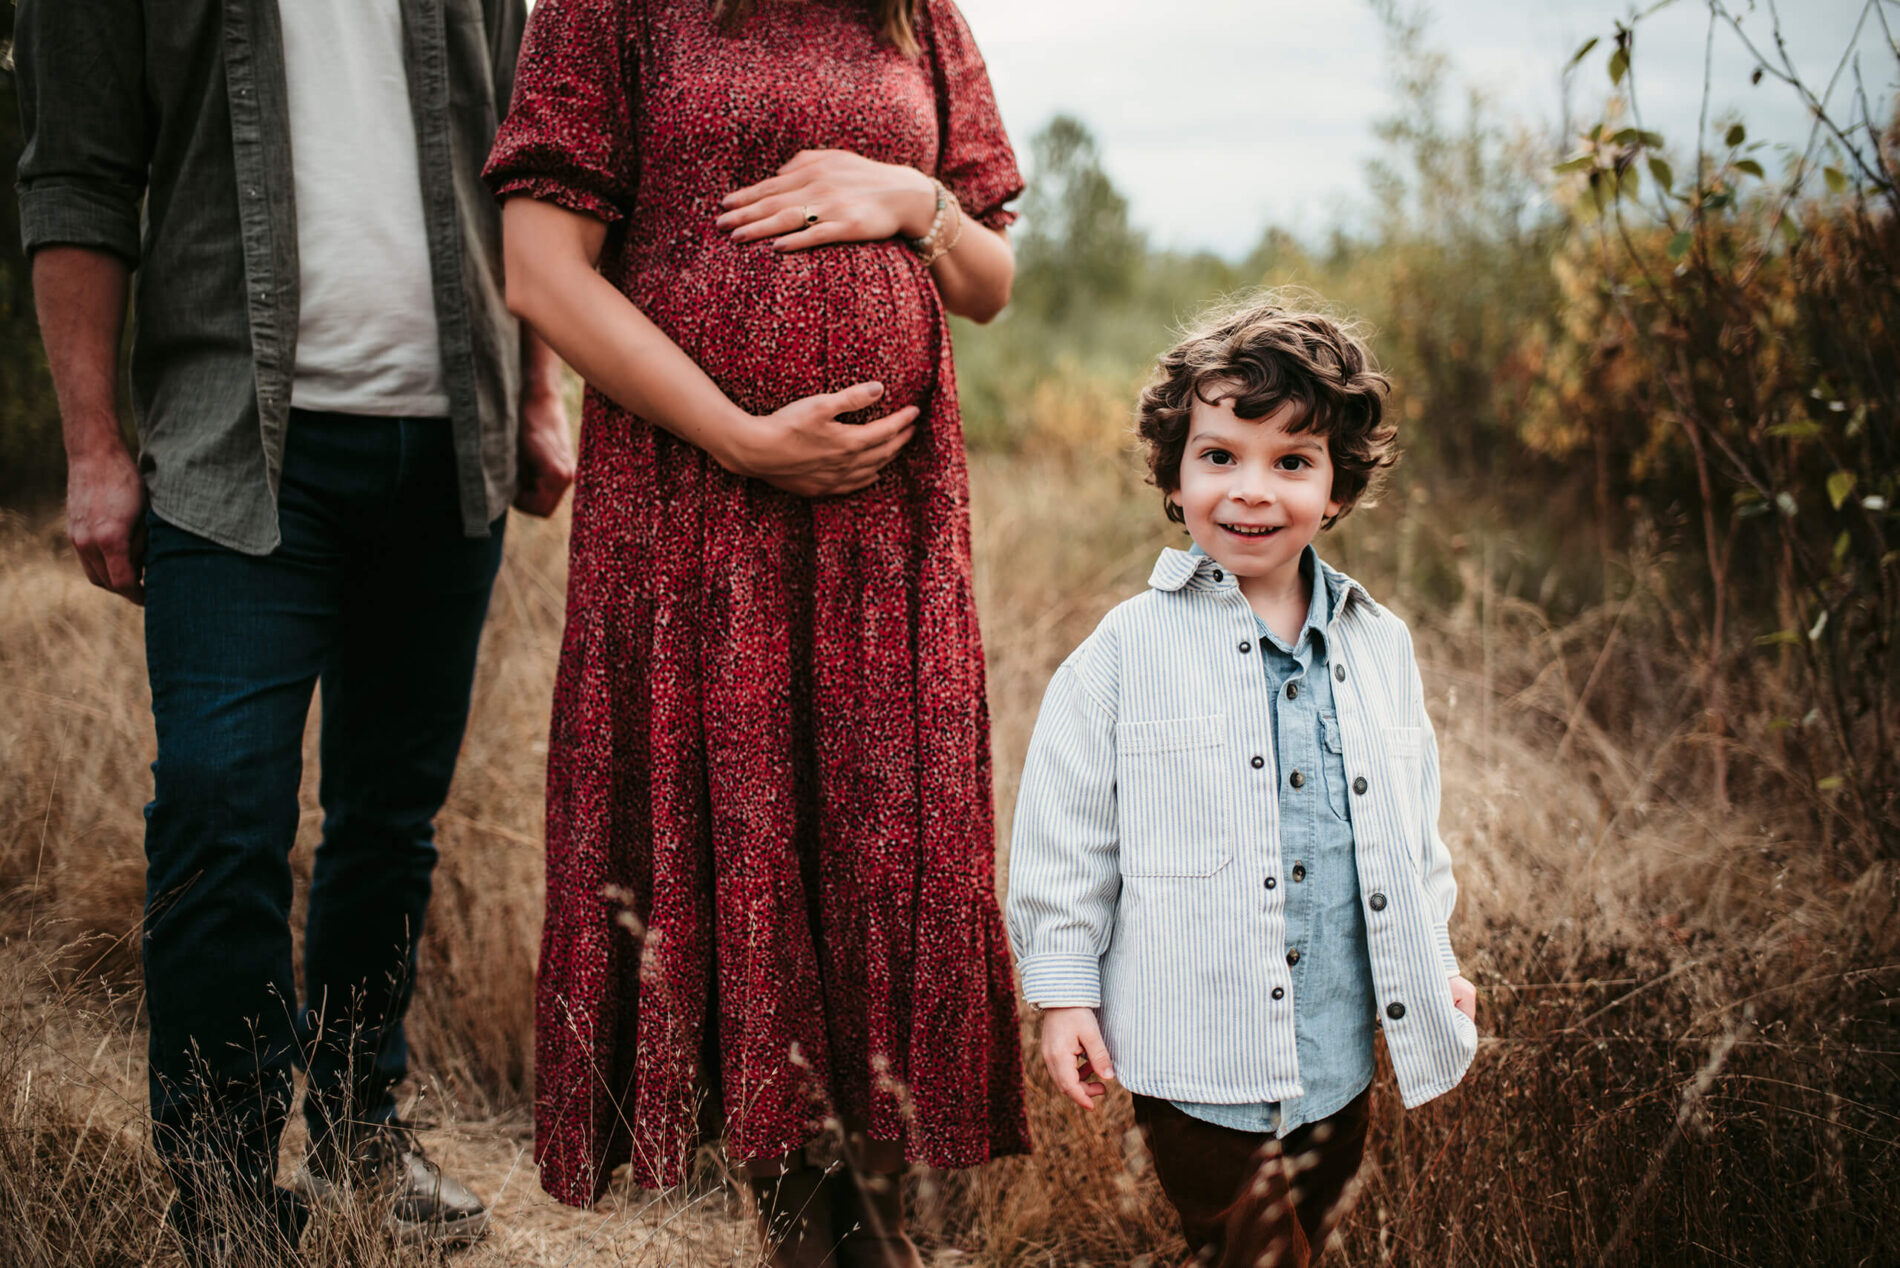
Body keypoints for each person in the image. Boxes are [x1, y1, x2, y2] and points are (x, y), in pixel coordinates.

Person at [13, 0, 575, 1260]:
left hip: (449, 447)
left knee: (390, 820)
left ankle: (360, 1132)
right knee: (218, 808)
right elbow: (77, 178)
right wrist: (94, 445)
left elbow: (523, 159)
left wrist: (538, 388)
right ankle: (224, 1193)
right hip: (236, 450)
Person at [482, 0, 1029, 1260]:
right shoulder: (610, 10)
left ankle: (878, 1227)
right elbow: (541, 273)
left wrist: (915, 201)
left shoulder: (914, 12)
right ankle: (796, 1235)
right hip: (694, 511)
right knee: (745, 842)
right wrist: (738, 435)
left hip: (887, 532)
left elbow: (990, 282)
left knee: (877, 844)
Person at [1005, 298, 1481, 1268]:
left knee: (1300, 1235)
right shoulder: (1125, 652)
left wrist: (1434, 956)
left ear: (1337, 487)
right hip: (1196, 1060)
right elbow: (1065, 839)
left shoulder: (1378, 645)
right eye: (1219, 456)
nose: (1251, 490)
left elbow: (1408, 831)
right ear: (1174, 475)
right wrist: (1065, 994)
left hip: (1336, 1061)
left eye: (1292, 461)